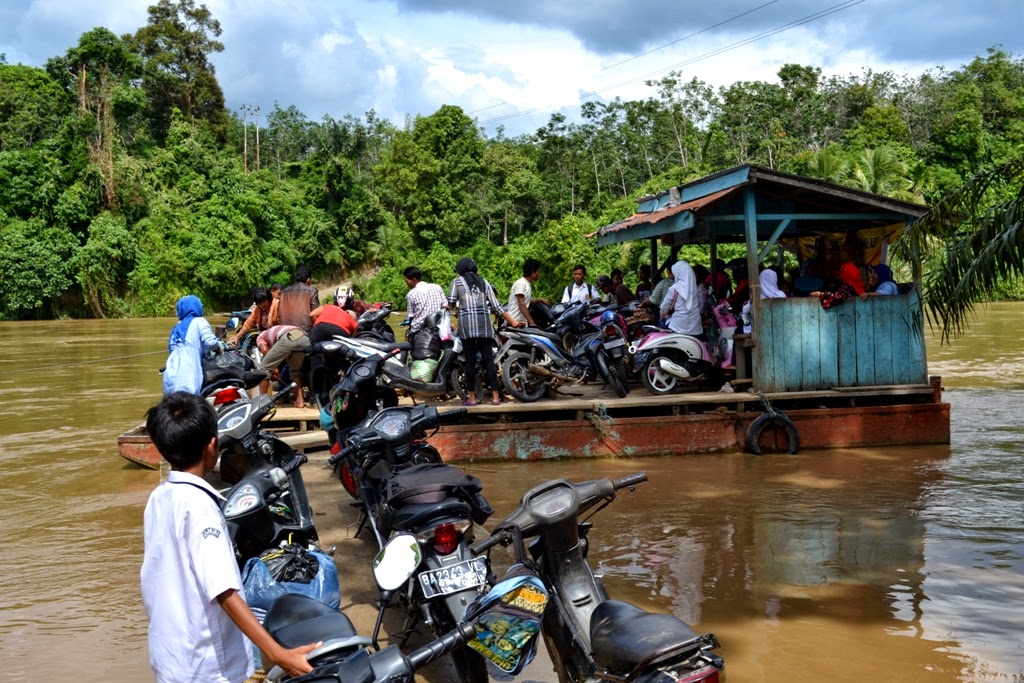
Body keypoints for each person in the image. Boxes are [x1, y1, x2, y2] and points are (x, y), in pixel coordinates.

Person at [141, 392, 319, 683]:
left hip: (169, 652)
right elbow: (223, 590)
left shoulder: (159, 497)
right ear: (213, 445)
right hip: (204, 662)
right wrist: (277, 654)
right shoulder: (200, 507)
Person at [449, 257, 523, 406]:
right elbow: (497, 307)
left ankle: (472, 398)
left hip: (467, 328)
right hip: (485, 327)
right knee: (488, 361)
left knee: (470, 362)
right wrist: (513, 322)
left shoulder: (456, 282)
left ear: (461, 270)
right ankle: (495, 397)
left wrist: (457, 311)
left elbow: (451, 303)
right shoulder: (485, 282)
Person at [163, 295, 221, 396]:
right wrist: (218, 349)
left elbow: (171, 349)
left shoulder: (175, 328)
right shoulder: (200, 321)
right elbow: (211, 342)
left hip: (170, 373)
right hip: (189, 372)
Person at [256, 325, 310, 408]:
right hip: (304, 337)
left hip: (289, 337)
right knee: (295, 371)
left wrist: (273, 368)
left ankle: (262, 404)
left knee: (263, 369)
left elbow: (264, 350)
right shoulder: (275, 331)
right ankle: (300, 401)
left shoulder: (260, 337)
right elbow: (288, 357)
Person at [660, 261, 704, 336]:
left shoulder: (675, 288)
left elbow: (663, 306)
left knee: (661, 324)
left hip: (678, 325)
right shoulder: (694, 288)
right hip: (695, 326)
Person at [403, 266, 448, 336]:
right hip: (438, 328)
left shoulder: (411, 294)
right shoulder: (437, 287)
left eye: (407, 281)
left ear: (414, 280)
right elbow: (446, 307)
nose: (407, 284)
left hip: (419, 331)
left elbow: (411, 317)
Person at [273, 267, 319, 333]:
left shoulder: (284, 292)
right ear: (308, 280)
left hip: (285, 333)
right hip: (305, 334)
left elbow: (278, 315)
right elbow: (315, 314)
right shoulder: (312, 291)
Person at [507, 258, 547, 328]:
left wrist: (539, 300)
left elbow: (526, 301)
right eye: (538, 272)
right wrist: (532, 322)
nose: (539, 275)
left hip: (521, 323)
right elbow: (522, 304)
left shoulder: (527, 284)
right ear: (532, 271)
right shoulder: (521, 283)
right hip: (515, 322)